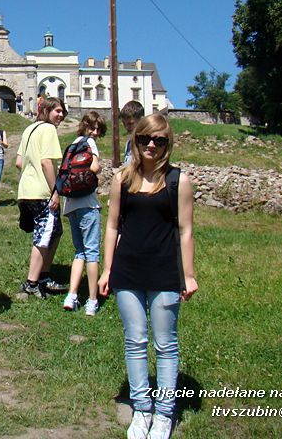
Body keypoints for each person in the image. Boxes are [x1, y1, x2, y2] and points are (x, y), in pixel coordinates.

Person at [98, 113, 198, 439]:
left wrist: (189, 274)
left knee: (166, 343)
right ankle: (142, 408)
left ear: (168, 144)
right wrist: (107, 270)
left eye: (159, 140)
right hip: (128, 270)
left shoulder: (178, 181)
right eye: (145, 139)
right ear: (136, 140)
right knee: (135, 339)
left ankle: (165, 412)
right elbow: (112, 225)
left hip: (165, 271)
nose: (151, 145)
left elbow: (185, 231)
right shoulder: (122, 180)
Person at [16, 96, 68, 298]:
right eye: (57, 111)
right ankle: (31, 282)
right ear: (46, 111)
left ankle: (44, 275)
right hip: (41, 191)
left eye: (62, 112)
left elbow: (19, 162)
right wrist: (55, 190)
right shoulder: (48, 130)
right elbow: (47, 162)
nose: (61, 115)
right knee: (43, 236)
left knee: (55, 232)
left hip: (25, 190)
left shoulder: (29, 130)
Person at [62, 111, 107, 316]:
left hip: (70, 203)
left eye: (98, 129)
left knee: (79, 251)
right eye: (94, 128)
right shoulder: (90, 143)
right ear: (87, 127)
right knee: (92, 252)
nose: (96, 133)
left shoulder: (72, 144)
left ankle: (71, 295)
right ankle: (92, 300)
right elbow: (95, 167)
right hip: (88, 204)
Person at [120, 100, 145, 166]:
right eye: (124, 124)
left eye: (130, 124)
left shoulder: (146, 143)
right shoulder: (129, 142)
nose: (127, 127)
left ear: (141, 120)